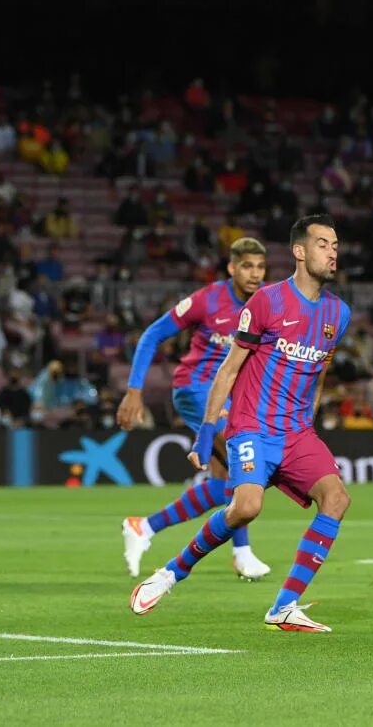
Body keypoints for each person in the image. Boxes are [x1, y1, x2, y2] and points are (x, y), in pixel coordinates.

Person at [130, 216, 352, 633]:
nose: (333, 251)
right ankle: (171, 573)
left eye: (335, 244)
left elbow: (320, 372)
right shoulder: (267, 302)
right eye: (323, 243)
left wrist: (309, 422)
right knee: (245, 507)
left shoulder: (338, 314)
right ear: (300, 252)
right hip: (252, 425)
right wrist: (206, 429)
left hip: (296, 432)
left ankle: (285, 606)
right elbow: (229, 369)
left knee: (337, 499)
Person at [116, 237, 270, 580]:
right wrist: (134, 390)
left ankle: (144, 527)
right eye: (247, 266)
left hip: (231, 396)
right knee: (244, 461)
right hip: (195, 388)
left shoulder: (267, 302)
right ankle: (242, 553)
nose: (255, 274)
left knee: (226, 485)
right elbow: (152, 335)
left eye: (260, 267)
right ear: (231, 267)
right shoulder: (208, 299)